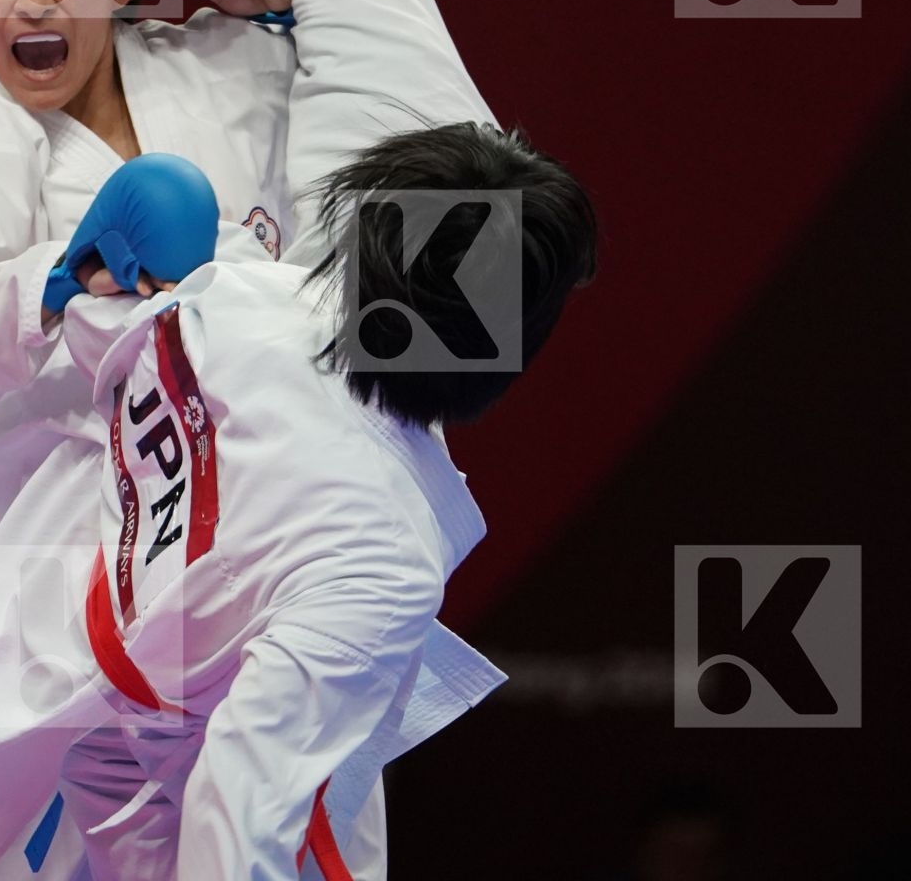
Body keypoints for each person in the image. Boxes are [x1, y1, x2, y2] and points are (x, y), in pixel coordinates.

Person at [0, 0, 495, 879]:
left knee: (281, 832)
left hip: (268, 537)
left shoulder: (230, 70)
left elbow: (388, 117)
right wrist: (77, 280)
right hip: (83, 553)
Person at [49, 123, 598, 878]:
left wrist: (79, 281)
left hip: (107, 732)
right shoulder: (383, 561)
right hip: (190, 792)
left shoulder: (234, 300)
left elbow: (104, 305)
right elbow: (241, 811)